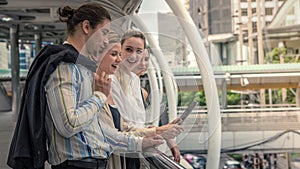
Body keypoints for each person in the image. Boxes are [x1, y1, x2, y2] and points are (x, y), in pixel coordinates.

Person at [7, 3, 164, 169]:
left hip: (90, 163)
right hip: (76, 164)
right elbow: (68, 125)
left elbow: (101, 130)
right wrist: (100, 96)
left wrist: (142, 139)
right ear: (86, 27)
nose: (105, 41)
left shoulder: (83, 68)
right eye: (103, 33)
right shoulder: (65, 67)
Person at [97, 31, 183, 168]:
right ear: (120, 50)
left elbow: (136, 125)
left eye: (139, 51)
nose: (133, 56)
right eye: (128, 50)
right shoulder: (110, 82)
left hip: (135, 150)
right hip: (121, 154)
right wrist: (159, 131)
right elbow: (121, 127)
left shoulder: (135, 81)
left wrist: (165, 134)